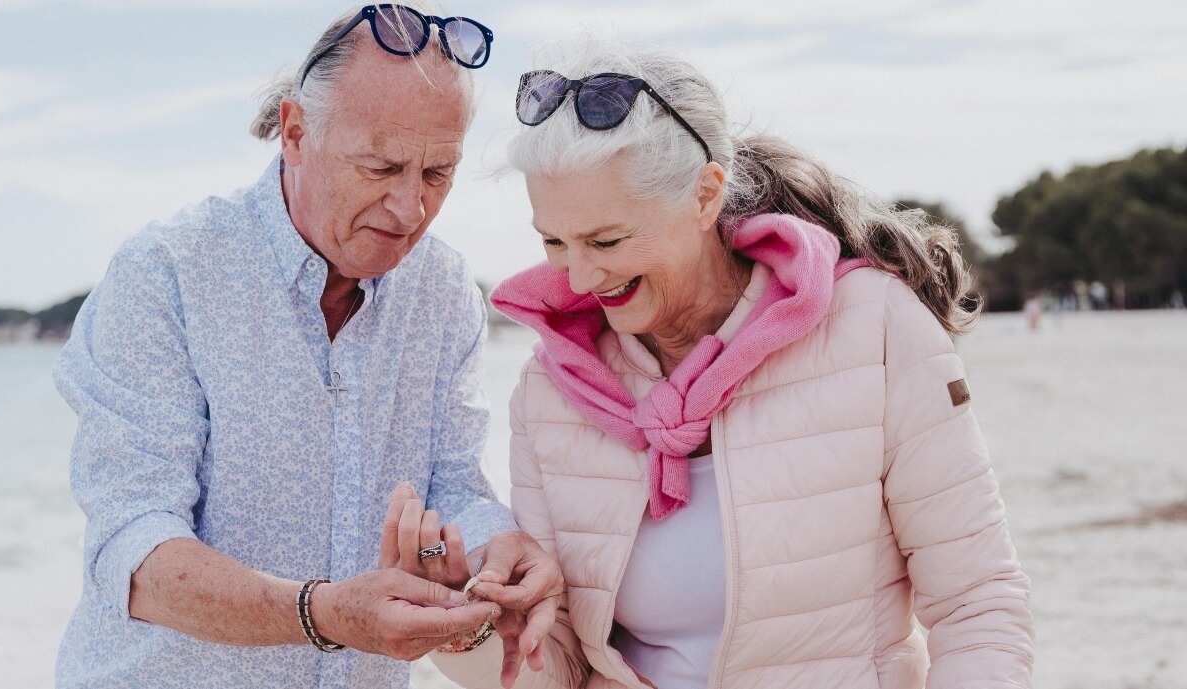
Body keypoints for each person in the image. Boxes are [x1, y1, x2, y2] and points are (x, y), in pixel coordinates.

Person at [413, 45, 1035, 688]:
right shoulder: (549, 388)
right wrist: (462, 626)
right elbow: (561, 666)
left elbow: (978, 607)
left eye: (607, 241)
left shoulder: (874, 327)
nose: (579, 274)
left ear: (705, 196)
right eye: (554, 241)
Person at [51, 4, 560, 687]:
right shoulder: (167, 273)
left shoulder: (443, 290)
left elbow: (454, 484)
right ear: (295, 132)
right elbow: (135, 555)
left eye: (438, 174)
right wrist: (321, 613)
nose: (410, 209)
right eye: (381, 166)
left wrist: (499, 550)